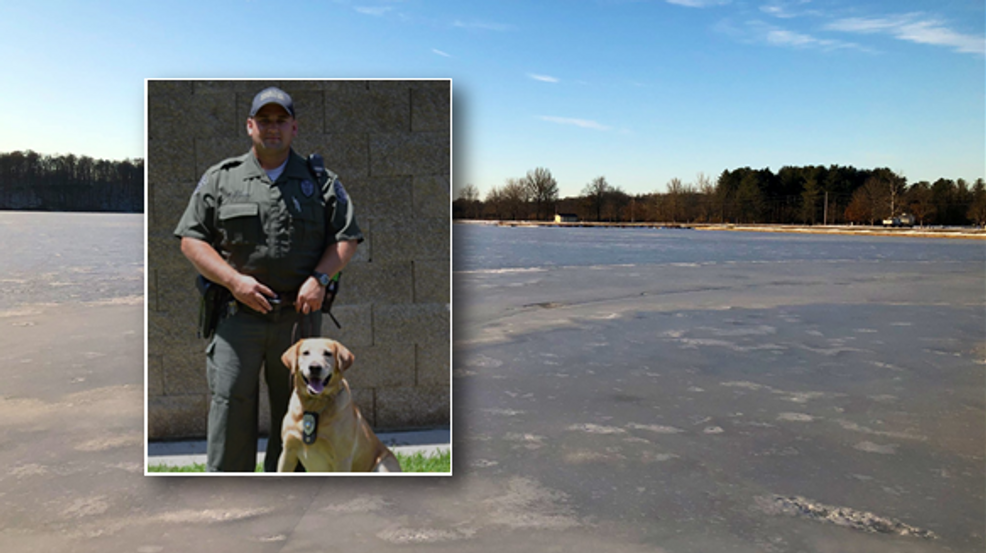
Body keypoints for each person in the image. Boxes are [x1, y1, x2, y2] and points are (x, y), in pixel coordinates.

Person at [173, 86, 363, 472]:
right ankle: (229, 496)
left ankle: (288, 494)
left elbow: (346, 239)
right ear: (250, 126)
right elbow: (191, 241)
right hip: (235, 319)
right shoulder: (220, 179)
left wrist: (320, 279)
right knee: (230, 405)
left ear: (294, 127)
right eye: (264, 120)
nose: (272, 128)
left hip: (298, 321)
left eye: (280, 121)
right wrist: (233, 281)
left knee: (298, 407)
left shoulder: (322, 182)